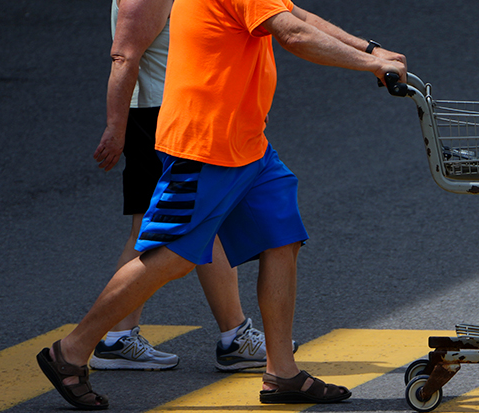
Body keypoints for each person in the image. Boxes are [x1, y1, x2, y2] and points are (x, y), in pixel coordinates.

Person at [36, 0, 407, 409]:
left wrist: (370, 50)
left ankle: (281, 373)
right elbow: (294, 35)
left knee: (282, 238)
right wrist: (370, 65)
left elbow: (296, 16)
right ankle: (69, 352)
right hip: (204, 146)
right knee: (173, 256)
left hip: (248, 146)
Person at [89, 0, 291, 372]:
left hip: (176, 112)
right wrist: (116, 127)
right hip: (160, 116)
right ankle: (109, 338)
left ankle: (232, 335)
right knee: (168, 230)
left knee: (195, 225)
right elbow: (124, 56)